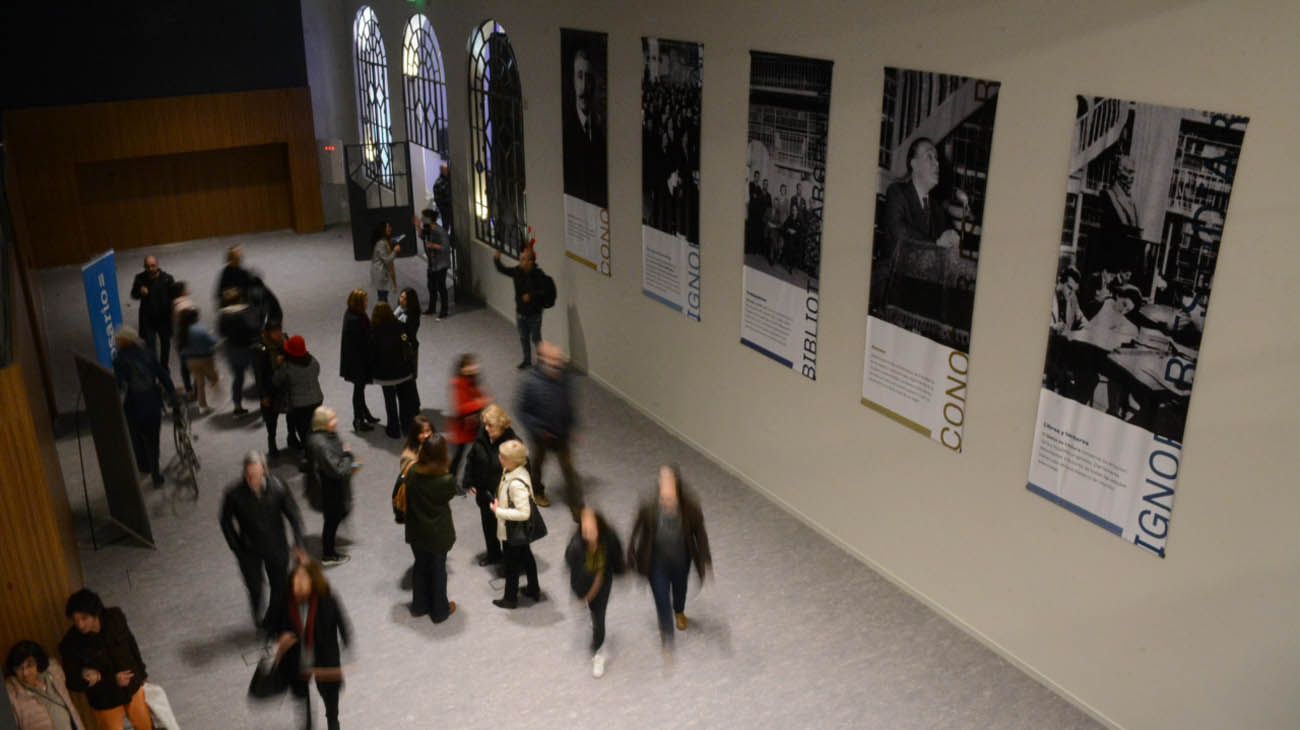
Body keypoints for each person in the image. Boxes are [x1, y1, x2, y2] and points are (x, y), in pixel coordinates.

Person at [627, 465, 712, 650]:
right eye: (662, 490)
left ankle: (679, 611)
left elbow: (700, 534)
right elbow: (636, 530)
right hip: (656, 563)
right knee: (661, 598)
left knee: (680, 589)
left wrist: (705, 558)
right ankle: (667, 634)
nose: (665, 498)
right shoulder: (649, 507)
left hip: (682, 560)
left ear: (677, 488)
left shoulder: (690, 508)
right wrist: (631, 552)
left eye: (669, 493)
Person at [221, 451, 306, 628]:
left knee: (279, 586)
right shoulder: (234, 494)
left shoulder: (278, 487)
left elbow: (294, 516)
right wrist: (236, 547)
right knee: (255, 588)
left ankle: (271, 619)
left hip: (276, 546)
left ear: (265, 471)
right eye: (249, 475)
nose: (253, 480)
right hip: (249, 550)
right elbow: (225, 521)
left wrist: (299, 544)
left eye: (257, 475)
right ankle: (258, 614)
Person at [267, 557, 350, 730]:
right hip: (296, 661)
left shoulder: (327, 599)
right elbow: (274, 627)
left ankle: (332, 721)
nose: (299, 582)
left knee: (329, 697)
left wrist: (346, 642)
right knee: (302, 700)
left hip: (324, 658)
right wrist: (280, 639)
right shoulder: (285, 602)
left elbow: (342, 623)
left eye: (304, 578)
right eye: (296, 577)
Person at [57, 589, 151, 730]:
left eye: (84, 618)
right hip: (105, 700)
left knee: (146, 726)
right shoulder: (70, 644)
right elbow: (72, 682)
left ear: (96, 613)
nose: (80, 625)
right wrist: (103, 678)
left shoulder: (115, 617)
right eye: (75, 620)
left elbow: (131, 643)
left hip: (133, 686)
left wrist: (142, 673)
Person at [517, 341, 580, 510]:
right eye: (554, 361)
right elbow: (522, 411)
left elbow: (568, 403)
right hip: (541, 436)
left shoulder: (564, 377)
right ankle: (537, 491)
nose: (558, 364)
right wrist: (538, 429)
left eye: (560, 360)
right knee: (538, 465)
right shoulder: (531, 383)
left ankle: (576, 504)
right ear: (543, 360)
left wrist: (572, 425)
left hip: (561, 434)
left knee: (568, 468)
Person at [403, 434, 459, 622]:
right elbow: (450, 495)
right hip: (437, 533)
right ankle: (440, 610)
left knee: (420, 566)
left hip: (416, 530)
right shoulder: (446, 480)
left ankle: (419, 606)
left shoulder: (411, 473)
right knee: (438, 570)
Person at [112, 327, 175, 487]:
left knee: (137, 438)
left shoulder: (119, 360)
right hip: (153, 402)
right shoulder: (148, 353)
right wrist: (172, 395)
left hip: (133, 406)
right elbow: (163, 375)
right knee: (153, 440)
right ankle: (155, 474)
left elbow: (120, 385)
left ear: (121, 342)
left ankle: (144, 466)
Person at [565, 506, 624, 678]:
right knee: (589, 610)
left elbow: (617, 556)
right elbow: (570, 565)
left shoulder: (609, 539)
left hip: (602, 585)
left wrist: (621, 571)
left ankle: (598, 652)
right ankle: (590, 613)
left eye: (591, 528)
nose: (587, 532)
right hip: (582, 586)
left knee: (599, 617)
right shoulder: (576, 545)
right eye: (585, 528)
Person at [463, 404, 517, 567]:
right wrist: (469, 481)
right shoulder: (482, 437)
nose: (486, 428)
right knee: (489, 527)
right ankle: (493, 555)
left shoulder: (513, 444)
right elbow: (471, 459)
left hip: (504, 498)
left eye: (490, 425)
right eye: (485, 424)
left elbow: (521, 472)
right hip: (485, 495)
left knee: (507, 532)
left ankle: (510, 562)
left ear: (502, 425)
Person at [490, 439, 541, 609]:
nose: (499, 457)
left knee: (511, 566)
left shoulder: (516, 484)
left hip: (513, 530)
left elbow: (524, 512)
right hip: (520, 532)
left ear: (513, 460)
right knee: (526, 556)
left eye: (503, 456)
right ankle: (534, 588)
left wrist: (498, 511)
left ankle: (510, 599)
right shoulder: (518, 471)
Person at [305, 407, 357, 567]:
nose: (337, 421)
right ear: (323, 423)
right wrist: (348, 455)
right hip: (330, 488)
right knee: (332, 519)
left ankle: (329, 545)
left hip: (330, 484)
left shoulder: (323, 436)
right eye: (332, 419)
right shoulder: (322, 445)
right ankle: (328, 554)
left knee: (335, 516)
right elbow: (338, 470)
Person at [562, 44, 608, 207]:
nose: (583, 86)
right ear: (573, 80)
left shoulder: (600, 136)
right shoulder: (564, 132)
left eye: (588, 78)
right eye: (579, 76)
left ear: (593, 84)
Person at [5, 640, 86, 730]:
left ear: (38, 662)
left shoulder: (54, 674)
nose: (25, 673)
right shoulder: (13, 695)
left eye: (29, 665)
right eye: (19, 668)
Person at [493, 248, 552, 369]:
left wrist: (531, 295)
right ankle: (527, 360)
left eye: (524, 259)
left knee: (536, 339)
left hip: (534, 314)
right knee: (523, 338)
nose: (521, 262)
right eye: (521, 259)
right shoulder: (517, 271)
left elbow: (544, 291)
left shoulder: (538, 275)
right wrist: (497, 259)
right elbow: (502, 270)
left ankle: (541, 363)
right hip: (521, 313)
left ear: (531, 261)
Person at [369, 303, 418, 439]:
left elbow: (371, 352)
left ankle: (393, 428)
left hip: (385, 375)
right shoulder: (398, 326)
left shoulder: (373, 330)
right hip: (402, 371)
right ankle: (407, 426)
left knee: (389, 401)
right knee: (404, 399)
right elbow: (406, 342)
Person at [274, 335, 324, 451]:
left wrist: (278, 365)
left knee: (303, 430)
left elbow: (276, 380)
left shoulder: (287, 366)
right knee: (313, 427)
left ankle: (309, 456)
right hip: (317, 399)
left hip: (300, 405)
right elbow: (317, 372)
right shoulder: (313, 361)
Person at [447, 353, 490, 483]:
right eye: (470, 365)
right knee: (458, 457)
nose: (475, 366)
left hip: (473, 426)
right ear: (463, 368)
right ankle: (451, 480)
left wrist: (481, 400)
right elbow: (461, 408)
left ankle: (470, 478)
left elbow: (480, 395)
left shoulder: (473, 380)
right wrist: (480, 403)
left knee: (477, 453)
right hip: (462, 429)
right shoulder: (458, 383)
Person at [128, 255, 176, 372]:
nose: (150, 269)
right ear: (144, 266)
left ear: (158, 265)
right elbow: (133, 294)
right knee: (150, 346)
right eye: (148, 266)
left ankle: (164, 367)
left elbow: (174, 296)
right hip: (148, 320)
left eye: (153, 266)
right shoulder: (139, 278)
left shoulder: (168, 279)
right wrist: (140, 292)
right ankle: (154, 369)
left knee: (165, 344)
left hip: (164, 319)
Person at [339, 290, 378, 432]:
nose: (368, 303)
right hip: (358, 362)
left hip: (354, 360)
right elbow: (364, 341)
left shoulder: (352, 313)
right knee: (359, 391)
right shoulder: (356, 319)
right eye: (365, 300)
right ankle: (358, 419)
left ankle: (365, 414)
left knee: (360, 390)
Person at [217, 287, 259, 416]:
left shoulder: (223, 315)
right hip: (249, 349)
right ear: (240, 298)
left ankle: (237, 406)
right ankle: (266, 400)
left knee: (238, 379)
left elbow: (221, 332)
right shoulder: (246, 312)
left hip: (232, 350)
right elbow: (255, 328)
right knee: (259, 375)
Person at [252, 320, 288, 456]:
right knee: (271, 419)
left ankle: (291, 437)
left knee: (292, 413)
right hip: (269, 388)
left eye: (279, 330)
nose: (279, 334)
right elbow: (258, 375)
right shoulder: (259, 349)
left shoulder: (285, 340)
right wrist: (263, 396)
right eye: (275, 332)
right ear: (267, 333)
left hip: (285, 385)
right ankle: (272, 442)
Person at [177, 307, 220, 413]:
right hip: (205, 359)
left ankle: (203, 406)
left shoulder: (182, 331)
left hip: (191, 361)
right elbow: (213, 342)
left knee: (199, 383)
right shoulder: (200, 329)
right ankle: (217, 398)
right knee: (214, 378)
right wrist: (211, 334)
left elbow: (180, 348)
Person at [415, 208, 451, 319]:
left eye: (423, 218)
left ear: (429, 219)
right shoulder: (427, 229)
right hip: (432, 263)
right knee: (431, 286)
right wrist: (417, 226)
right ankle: (432, 308)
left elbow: (446, 247)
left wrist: (434, 245)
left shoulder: (440, 231)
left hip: (441, 264)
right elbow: (421, 236)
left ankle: (444, 311)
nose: (422, 219)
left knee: (441, 287)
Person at [170, 280, 197, 398]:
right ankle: (196, 389)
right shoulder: (185, 305)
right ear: (182, 292)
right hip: (190, 339)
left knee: (184, 365)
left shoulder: (174, 304)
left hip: (180, 340)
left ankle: (189, 389)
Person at [369, 222, 400, 303]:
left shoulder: (384, 241)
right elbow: (387, 260)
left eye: (390, 226)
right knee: (383, 296)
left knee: (382, 295)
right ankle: (383, 312)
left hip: (380, 272)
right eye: (388, 227)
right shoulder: (381, 243)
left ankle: (383, 311)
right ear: (383, 230)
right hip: (380, 273)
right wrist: (395, 251)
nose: (390, 228)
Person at [217, 244, 254, 310]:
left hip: (243, 302)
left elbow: (250, 288)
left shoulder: (244, 272)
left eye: (240, 253)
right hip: (230, 305)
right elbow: (219, 294)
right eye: (237, 254)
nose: (240, 255)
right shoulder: (225, 273)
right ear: (230, 258)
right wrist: (229, 294)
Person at [433, 163, 454, 240]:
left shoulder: (448, 180)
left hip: (449, 207)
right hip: (446, 208)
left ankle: (451, 242)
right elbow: (438, 199)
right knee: (446, 226)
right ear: (442, 171)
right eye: (446, 170)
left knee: (452, 227)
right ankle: (446, 243)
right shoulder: (439, 183)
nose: (448, 171)